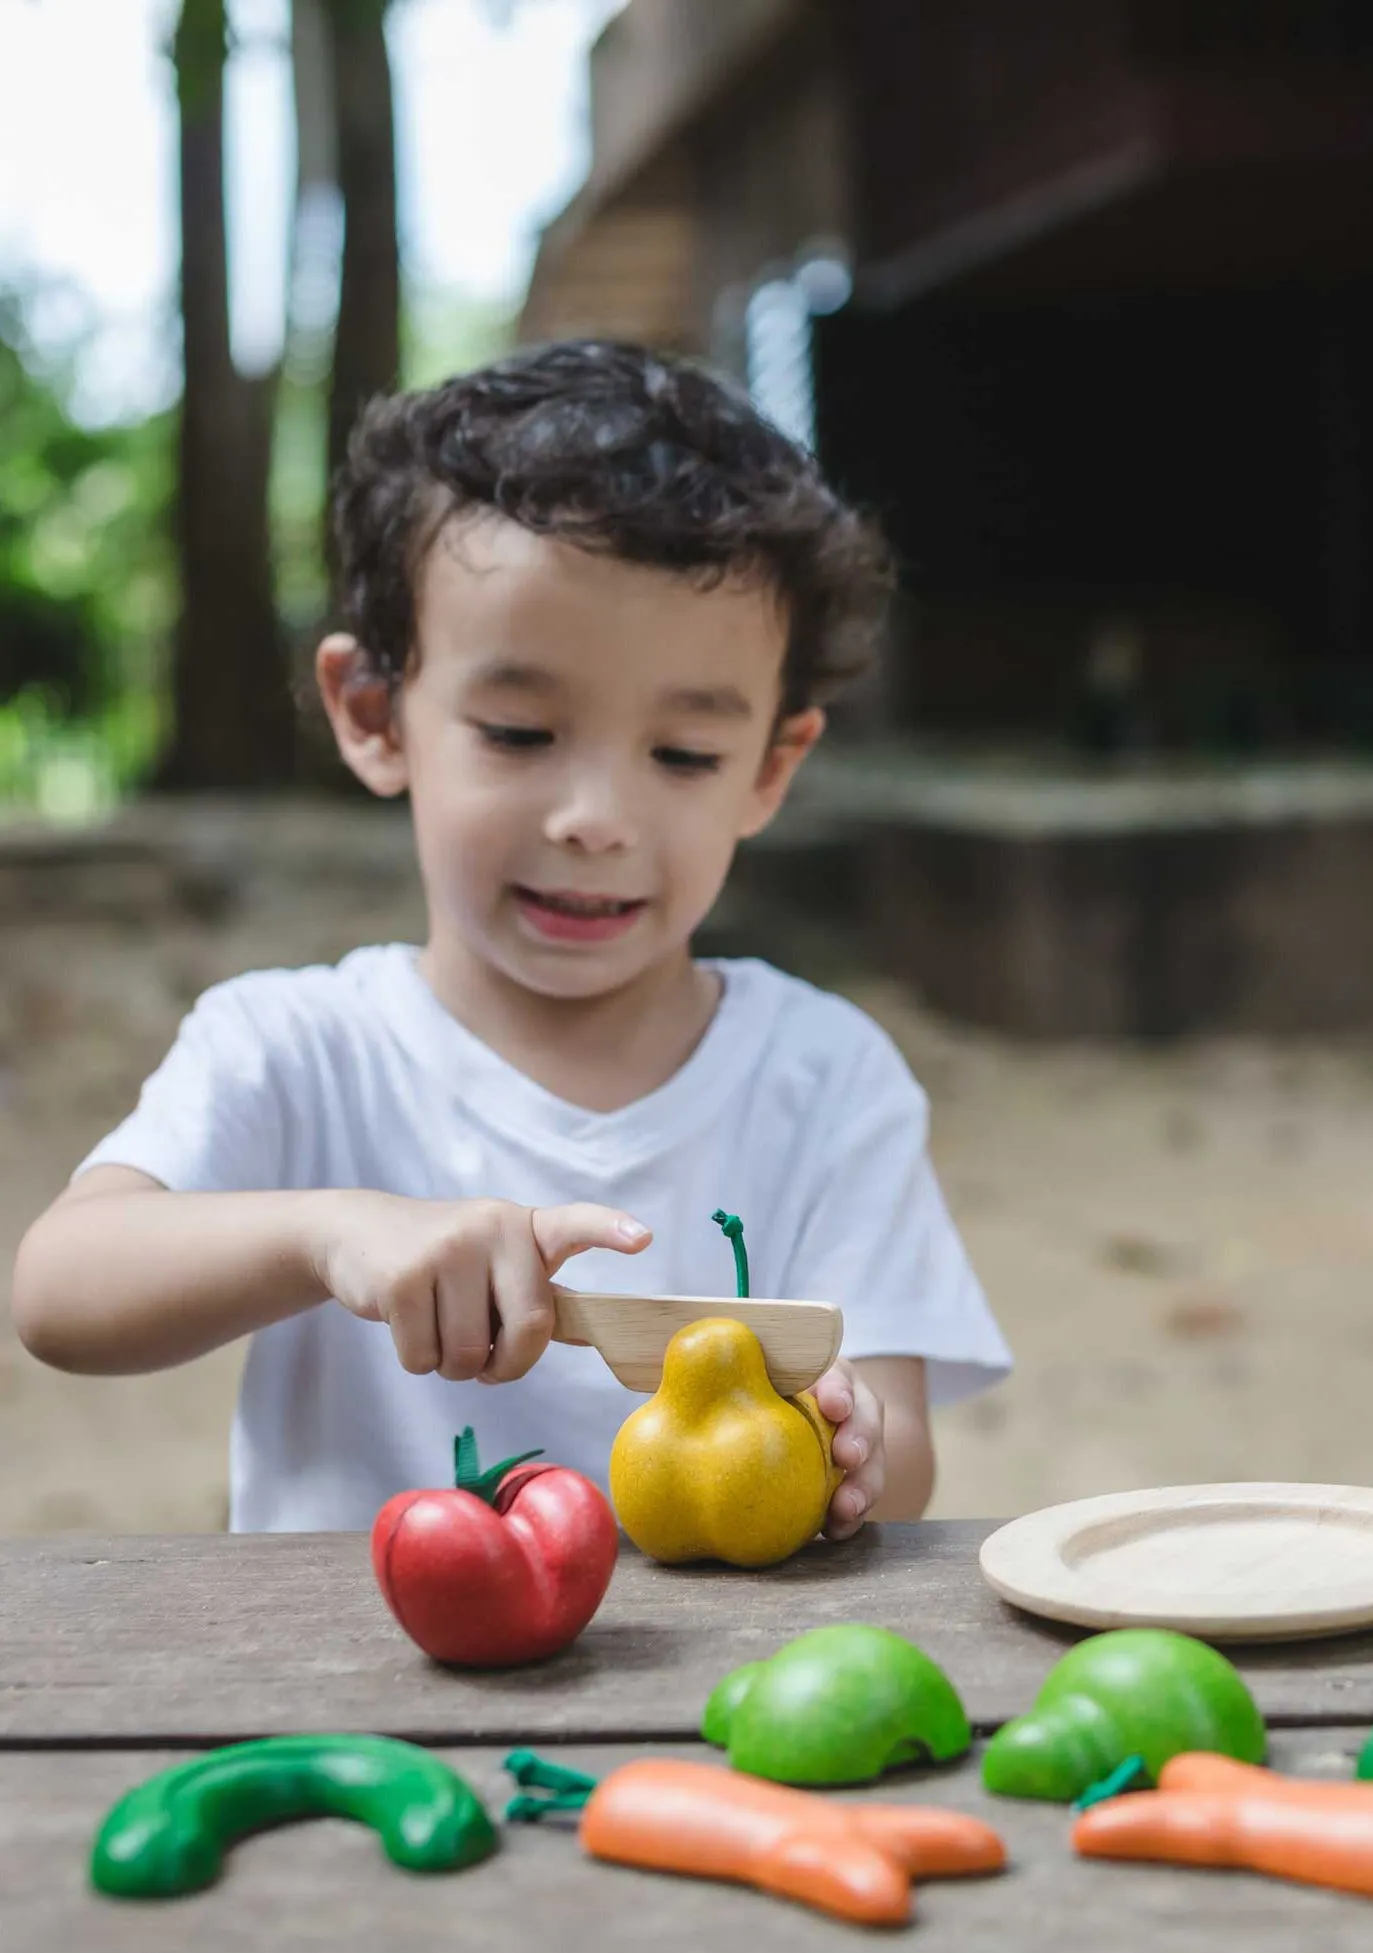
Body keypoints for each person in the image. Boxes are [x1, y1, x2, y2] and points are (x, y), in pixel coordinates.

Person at [12, 338, 1011, 1536]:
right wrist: (330, 1231)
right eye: (519, 732)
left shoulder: (825, 1078)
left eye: (684, 755)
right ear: (376, 715)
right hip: (350, 1699)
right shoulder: (295, 1047)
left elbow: (900, 1460)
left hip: (699, 1702)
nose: (595, 820)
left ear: (769, 768)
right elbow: (61, 1287)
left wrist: (847, 1448)